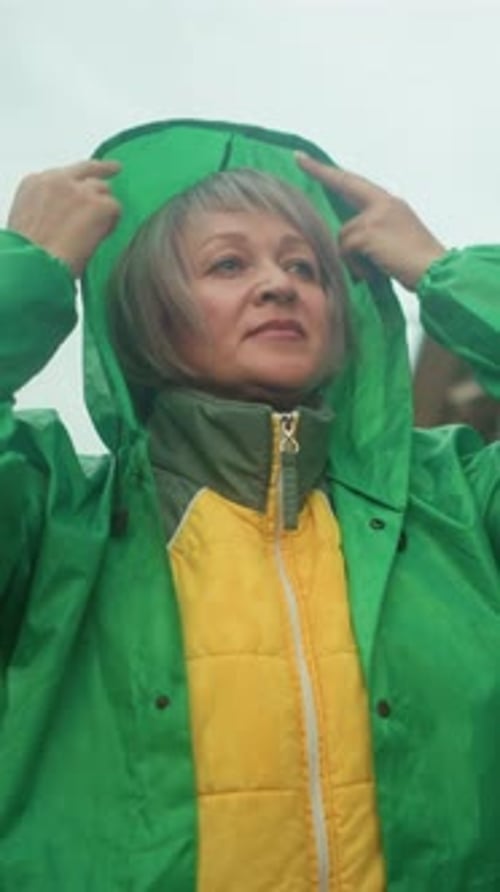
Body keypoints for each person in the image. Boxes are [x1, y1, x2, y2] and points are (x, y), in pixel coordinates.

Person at [0, 119, 498, 892]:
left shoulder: (456, 501)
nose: (279, 284)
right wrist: (21, 273)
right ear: (147, 310)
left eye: (306, 266)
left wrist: (445, 273)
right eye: (227, 263)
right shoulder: (54, 515)